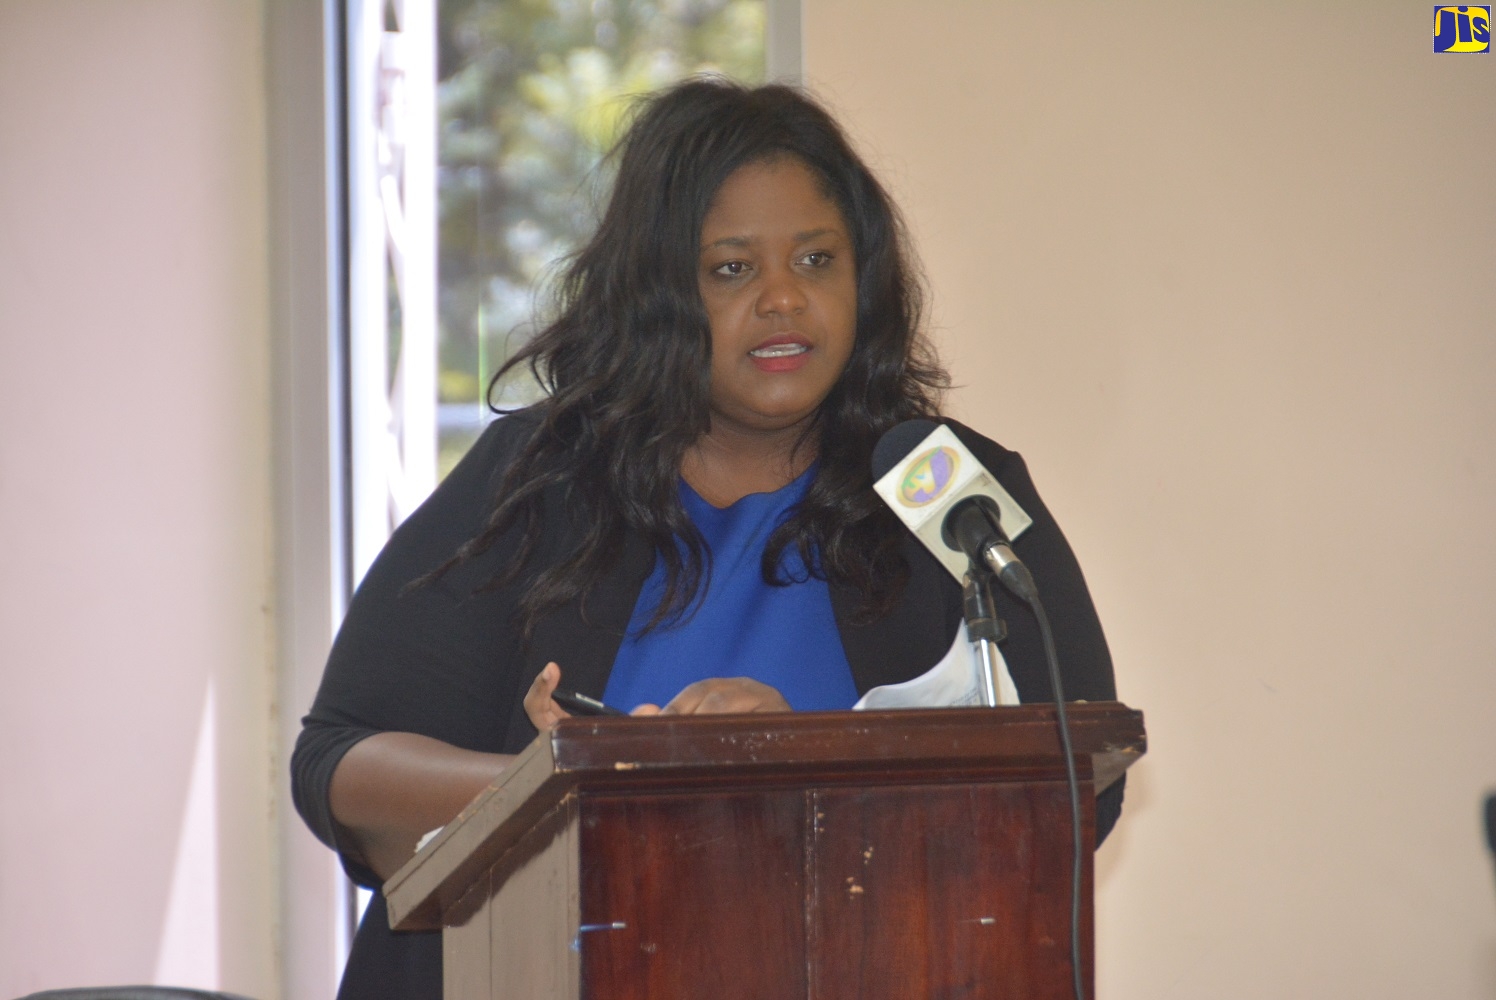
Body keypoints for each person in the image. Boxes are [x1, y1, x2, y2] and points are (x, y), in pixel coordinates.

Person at [292, 77, 1121, 1000]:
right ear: (656, 292)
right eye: (732, 268)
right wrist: (559, 781)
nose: (781, 300)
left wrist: (793, 760)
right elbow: (339, 763)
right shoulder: (543, 481)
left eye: (817, 261)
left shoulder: (945, 488)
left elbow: (1079, 783)